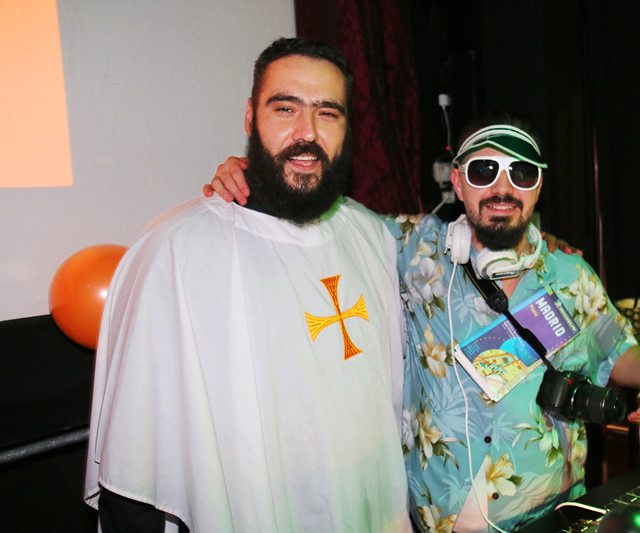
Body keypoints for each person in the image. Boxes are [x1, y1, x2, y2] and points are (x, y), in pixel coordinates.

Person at [207, 114, 640, 531]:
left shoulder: (571, 274)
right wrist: (258, 177)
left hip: (554, 515)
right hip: (441, 520)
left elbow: (618, 348)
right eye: (483, 171)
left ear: (538, 185)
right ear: (457, 181)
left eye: (521, 172)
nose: (502, 189)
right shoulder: (410, 248)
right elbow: (326, 216)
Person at [84, 38, 412, 532]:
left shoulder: (372, 235)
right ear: (249, 117)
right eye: (285, 108)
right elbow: (136, 462)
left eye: (328, 112)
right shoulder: (175, 251)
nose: (307, 132)